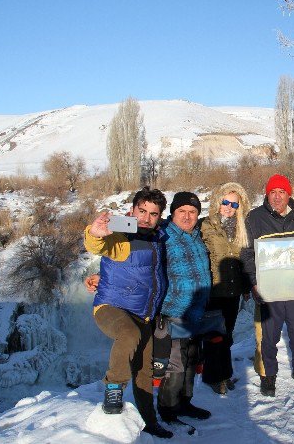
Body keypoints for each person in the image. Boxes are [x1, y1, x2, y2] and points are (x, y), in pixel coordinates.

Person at [83, 187, 173, 439]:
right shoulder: (121, 235)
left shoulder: (159, 236)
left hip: (144, 314)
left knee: (144, 373)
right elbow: (99, 244)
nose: (146, 218)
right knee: (128, 333)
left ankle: (149, 422)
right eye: (141, 211)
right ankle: (113, 387)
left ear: (159, 217)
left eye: (153, 214)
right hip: (111, 308)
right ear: (131, 210)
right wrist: (94, 233)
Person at [240, 174, 294, 396]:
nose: (276, 197)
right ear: (267, 194)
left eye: (281, 192)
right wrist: (254, 284)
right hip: (269, 289)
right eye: (272, 192)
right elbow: (247, 254)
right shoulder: (254, 218)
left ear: (288, 194)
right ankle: (268, 375)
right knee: (268, 336)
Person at [156, 191, 213, 422]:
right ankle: (168, 410)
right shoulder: (163, 237)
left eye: (192, 212)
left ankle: (185, 403)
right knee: (175, 367)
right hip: (172, 313)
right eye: (182, 211)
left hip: (196, 312)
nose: (187, 216)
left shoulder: (197, 236)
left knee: (191, 362)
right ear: (173, 213)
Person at [199, 182, 251, 394]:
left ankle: (225, 373)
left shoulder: (242, 229)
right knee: (213, 336)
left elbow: (246, 260)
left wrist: (246, 286)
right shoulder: (204, 225)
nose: (229, 207)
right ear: (218, 201)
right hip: (212, 289)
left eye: (234, 204)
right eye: (226, 202)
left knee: (227, 334)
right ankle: (213, 377)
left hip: (233, 291)